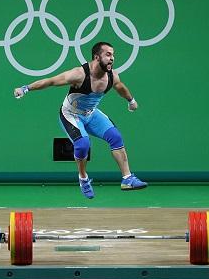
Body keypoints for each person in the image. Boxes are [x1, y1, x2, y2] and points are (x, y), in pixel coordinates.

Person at [13, 42, 147, 199]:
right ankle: (83, 178)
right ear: (97, 57)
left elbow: (120, 87)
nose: (112, 58)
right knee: (83, 144)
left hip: (90, 114)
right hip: (71, 115)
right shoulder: (79, 74)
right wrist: (26, 88)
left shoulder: (112, 76)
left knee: (116, 137)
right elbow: (51, 81)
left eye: (113, 55)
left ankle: (127, 178)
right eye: (108, 55)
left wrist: (131, 101)